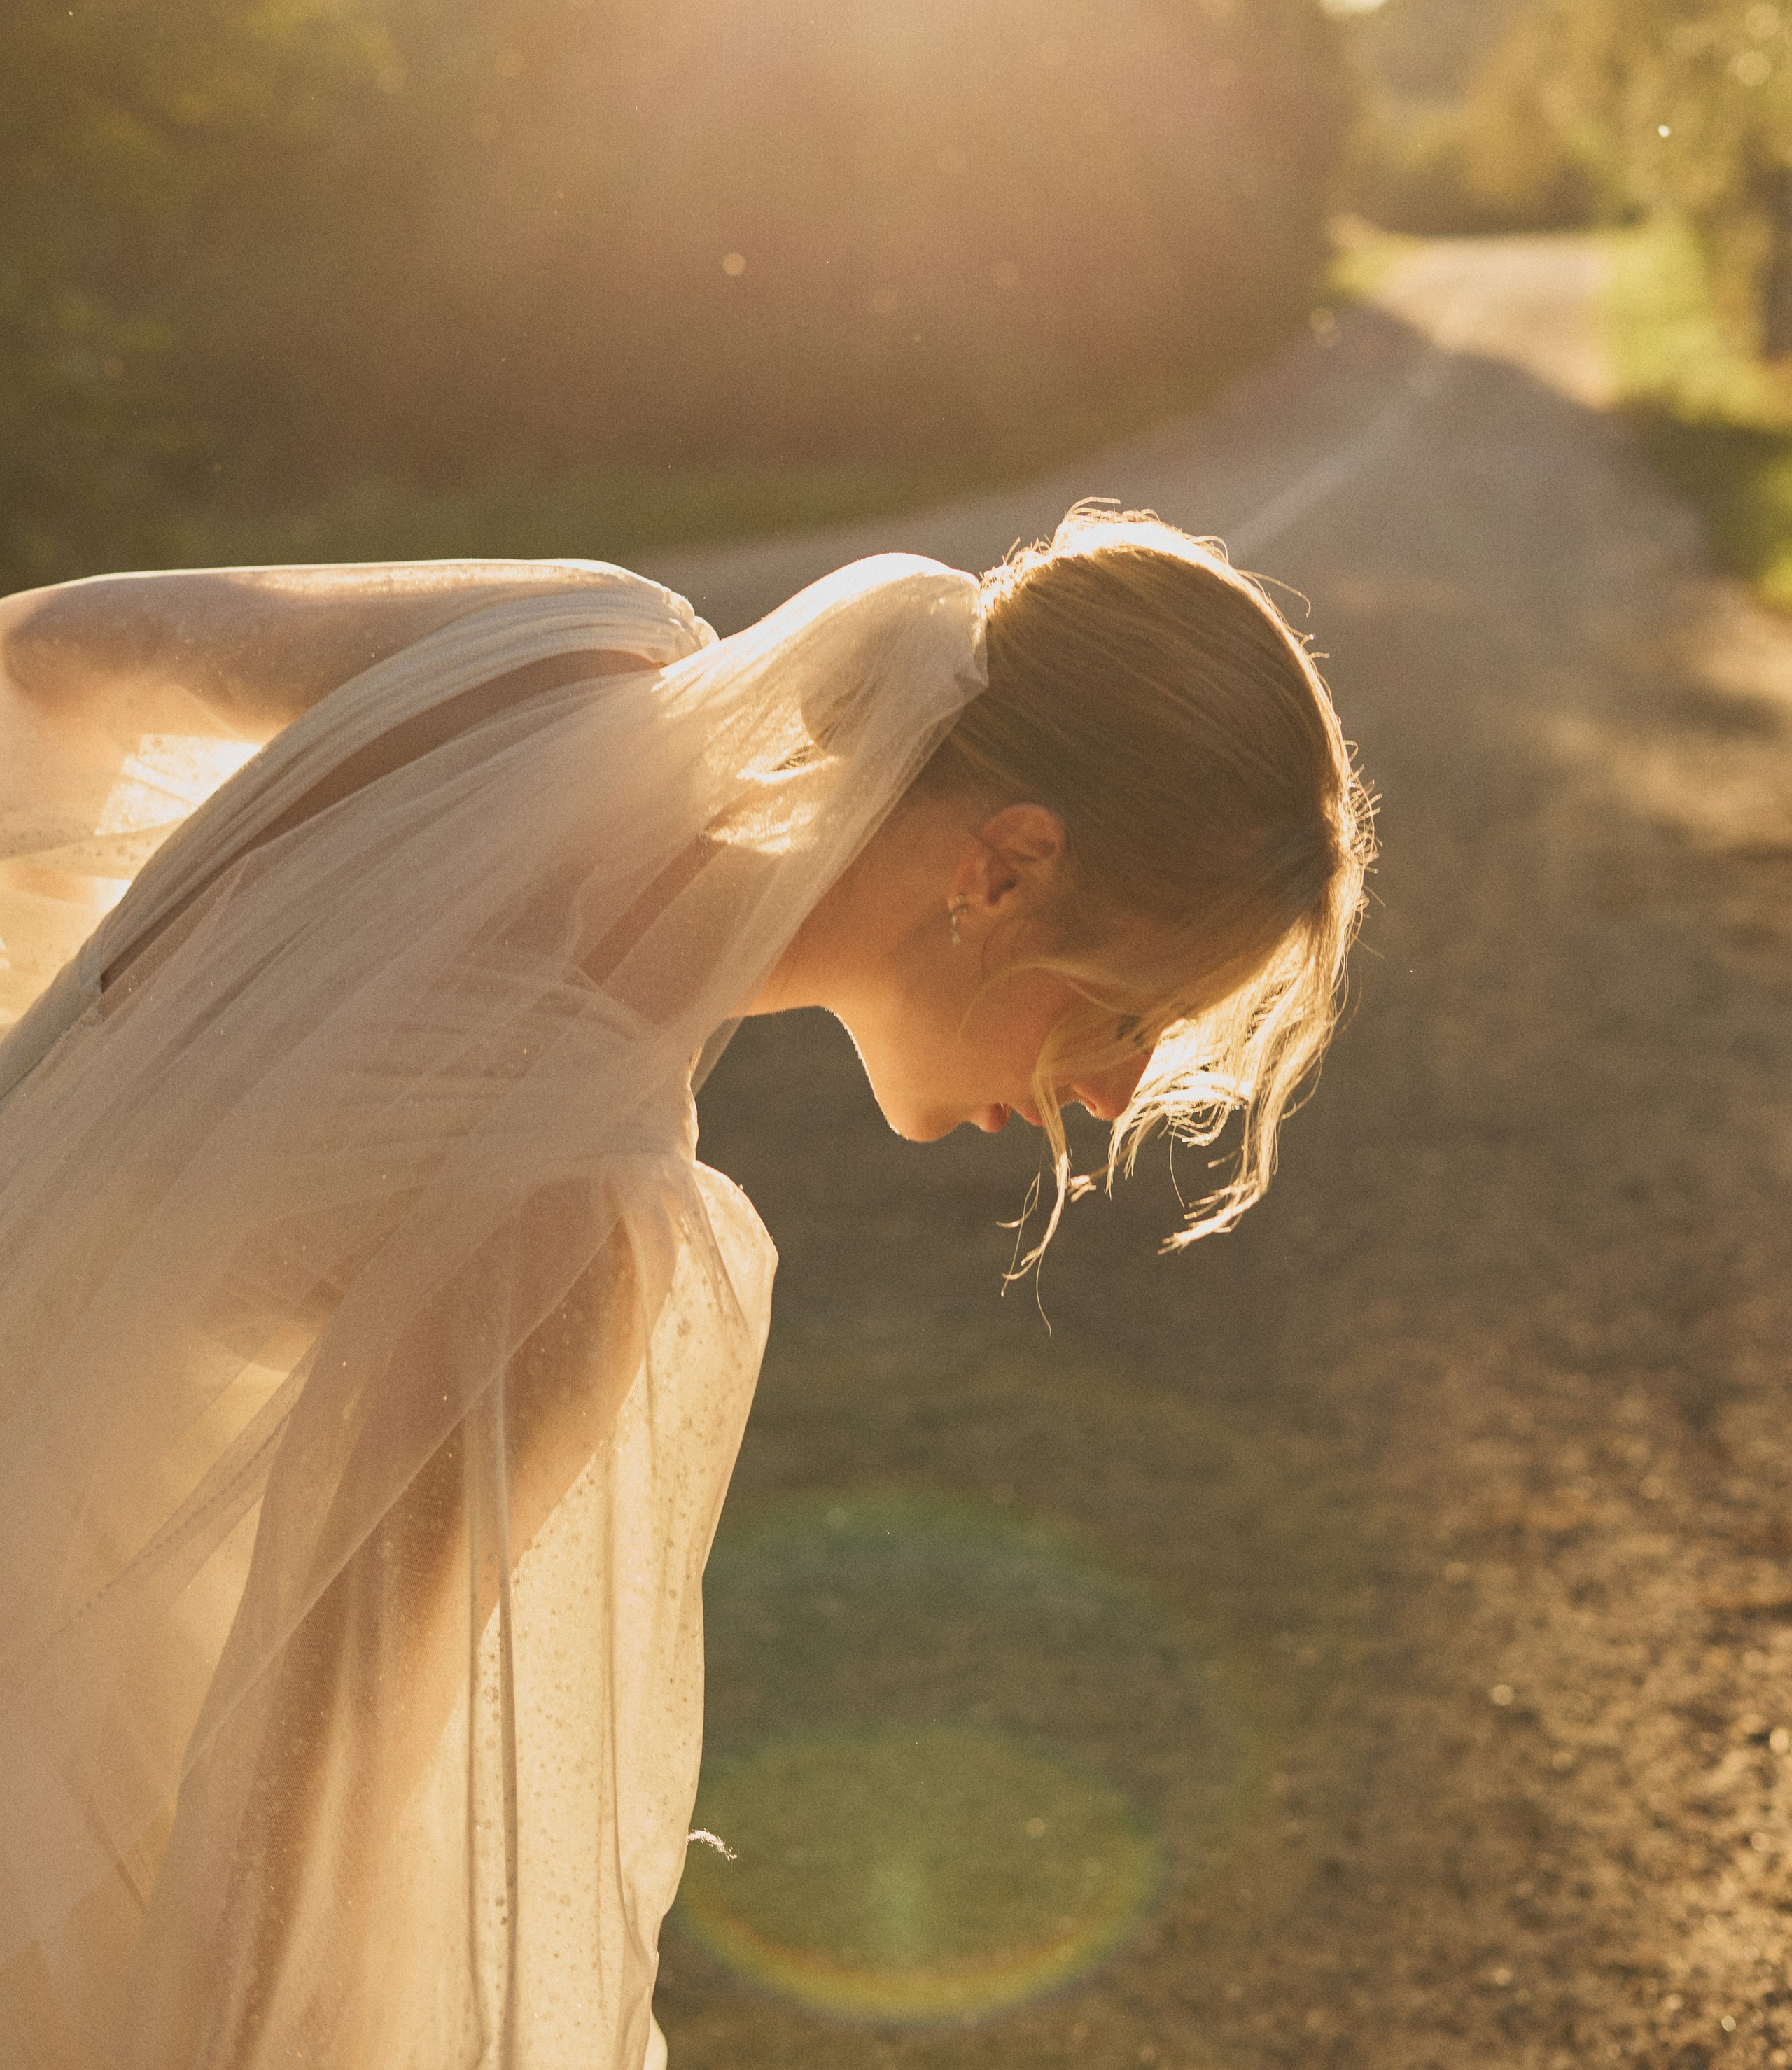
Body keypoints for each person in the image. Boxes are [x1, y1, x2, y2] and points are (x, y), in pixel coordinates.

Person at [0, 507, 1370, 2070]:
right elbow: (294, 1824)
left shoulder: (555, 656)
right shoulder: (570, 1226)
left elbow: (47, 661)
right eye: (1130, 1012)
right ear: (1005, 865)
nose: (1121, 1095)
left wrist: (67, 1056)